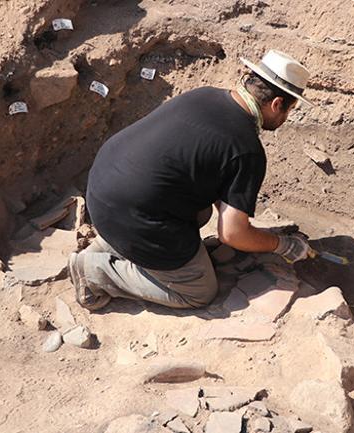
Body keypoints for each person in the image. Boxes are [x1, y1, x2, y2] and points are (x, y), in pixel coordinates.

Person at [69, 50, 315, 311]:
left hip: (102, 189)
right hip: (132, 215)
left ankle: (106, 245)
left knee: (201, 213)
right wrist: (282, 245)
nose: (285, 119)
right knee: (199, 291)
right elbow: (232, 233)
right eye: (289, 109)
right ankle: (96, 272)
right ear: (277, 103)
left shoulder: (205, 95)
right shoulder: (246, 149)